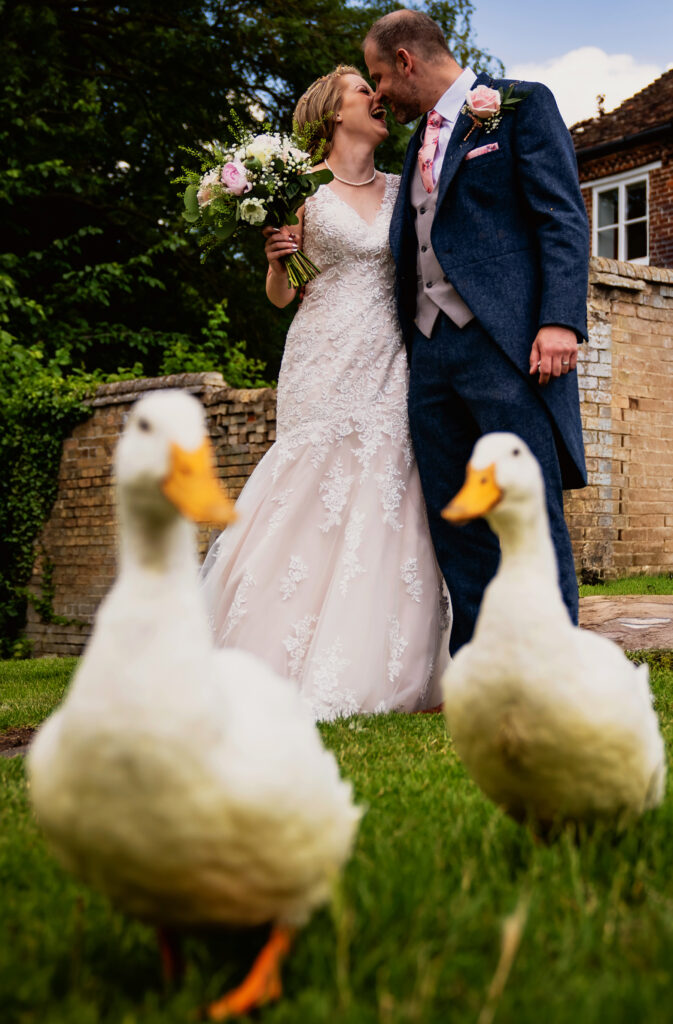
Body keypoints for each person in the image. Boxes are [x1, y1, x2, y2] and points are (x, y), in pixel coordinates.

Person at [201, 65, 450, 721]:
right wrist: (276, 259)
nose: (376, 99)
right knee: (311, 494)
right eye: (360, 93)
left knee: (392, 485)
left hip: (392, 356)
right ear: (332, 115)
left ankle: (385, 658)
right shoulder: (299, 193)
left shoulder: (407, 189)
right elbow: (285, 297)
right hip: (320, 355)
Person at [363, 10, 590, 656]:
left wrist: (558, 320)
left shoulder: (519, 106)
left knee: (525, 511)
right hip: (429, 356)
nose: (377, 92)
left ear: (406, 60)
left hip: (506, 346)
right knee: (454, 520)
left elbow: (560, 217)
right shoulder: (412, 147)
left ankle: (550, 663)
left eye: (379, 75)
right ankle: (479, 668)